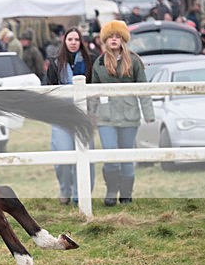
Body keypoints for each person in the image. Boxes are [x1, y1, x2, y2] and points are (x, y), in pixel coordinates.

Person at [90, 21, 155, 206]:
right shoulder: (100, 62)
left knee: (127, 155)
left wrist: (148, 113)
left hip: (129, 115)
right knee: (110, 154)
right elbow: (94, 92)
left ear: (123, 39)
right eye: (110, 37)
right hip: (106, 117)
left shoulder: (134, 61)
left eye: (117, 36)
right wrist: (90, 115)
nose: (114, 40)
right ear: (105, 40)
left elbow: (143, 89)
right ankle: (111, 190)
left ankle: (126, 194)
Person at [45, 27, 93, 205]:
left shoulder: (90, 61)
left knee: (85, 156)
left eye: (76, 39)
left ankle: (80, 194)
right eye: (70, 39)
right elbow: (48, 88)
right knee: (63, 157)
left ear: (81, 42)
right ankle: (64, 188)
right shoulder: (56, 63)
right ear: (64, 41)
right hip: (61, 116)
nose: (73, 42)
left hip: (83, 117)